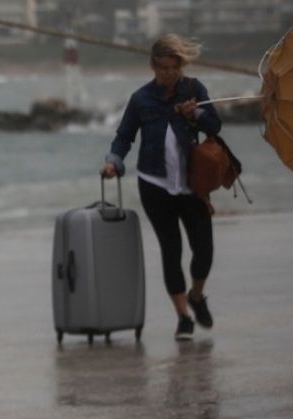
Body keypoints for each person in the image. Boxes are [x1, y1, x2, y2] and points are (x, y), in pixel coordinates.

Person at [100, 34, 221, 341]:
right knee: (171, 250)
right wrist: (114, 161)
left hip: (192, 185)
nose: (170, 73)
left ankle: (197, 296)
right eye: (163, 67)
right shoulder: (141, 99)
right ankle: (183, 317)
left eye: (174, 67)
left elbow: (215, 126)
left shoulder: (194, 90)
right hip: (154, 184)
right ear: (152, 65)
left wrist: (195, 113)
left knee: (204, 249)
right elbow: (124, 136)